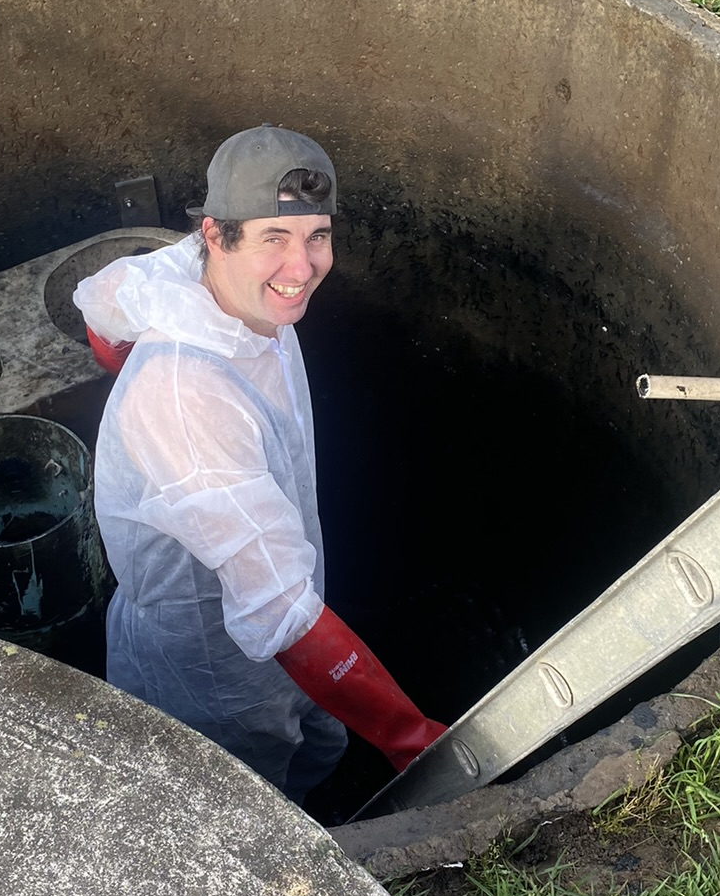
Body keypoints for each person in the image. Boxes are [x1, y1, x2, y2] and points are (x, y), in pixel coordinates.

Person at [74, 124, 446, 799]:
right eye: (275, 240)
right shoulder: (189, 400)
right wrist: (415, 743)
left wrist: (116, 358)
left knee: (320, 740)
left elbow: (102, 301)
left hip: (286, 602)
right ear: (216, 234)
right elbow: (281, 614)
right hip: (214, 675)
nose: (302, 269)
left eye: (317, 237)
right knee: (250, 801)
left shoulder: (189, 273)